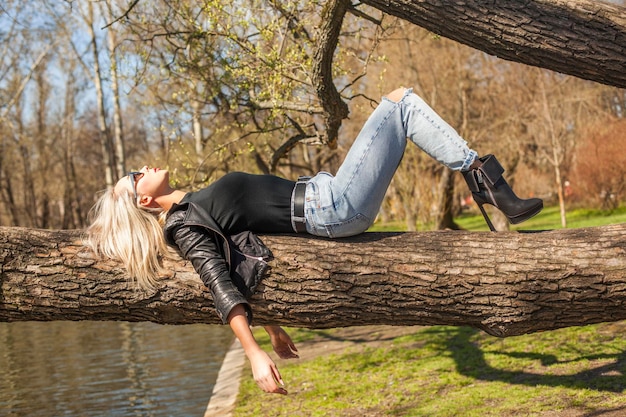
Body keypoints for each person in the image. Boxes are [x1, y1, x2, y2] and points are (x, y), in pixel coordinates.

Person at [86, 87, 543, 395]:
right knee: (400, 102)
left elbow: (243, 257)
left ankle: (482, 178)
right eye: (134, 177)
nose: (142, 167)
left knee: (400, 102)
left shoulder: (196, 203)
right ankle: (483, 178)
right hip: (330, 207)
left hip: (327, 198)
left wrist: (273, 326)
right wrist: (254, 354)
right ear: (144, 202)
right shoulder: (184, 225)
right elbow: (219, 284)